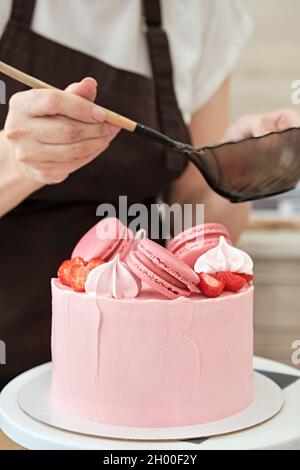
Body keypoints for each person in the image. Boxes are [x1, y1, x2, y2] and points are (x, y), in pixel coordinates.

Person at [0, 0, 299, 388]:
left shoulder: (202, 12)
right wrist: (14, 162)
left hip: (144, 371)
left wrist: (237, 175)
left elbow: (195, 222)